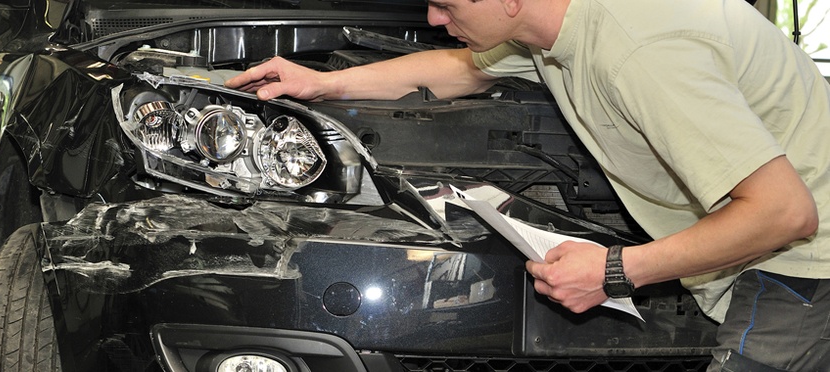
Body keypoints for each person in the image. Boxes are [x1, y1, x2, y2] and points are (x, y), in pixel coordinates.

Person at [225, 0, 830, 370]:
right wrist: (326, 84)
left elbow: (784, 214)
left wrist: (615, 270)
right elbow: (458, 70)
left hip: (806, 263)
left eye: (447, 3)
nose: (434, 19)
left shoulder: (639, 51)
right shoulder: (556, 25)